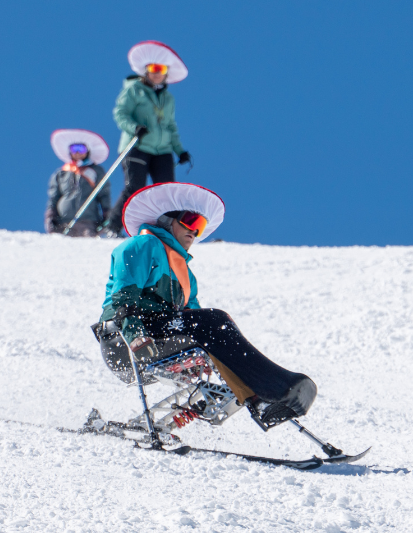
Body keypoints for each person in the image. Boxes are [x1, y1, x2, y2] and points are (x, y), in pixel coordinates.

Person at [97, 182, 316, 426]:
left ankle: (258, 399)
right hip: (125, 339)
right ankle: (274, 389)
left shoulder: (185, 274)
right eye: (190, 221)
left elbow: (194, 318)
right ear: (168, 220)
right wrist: (134, 334)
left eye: (200, 227)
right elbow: (123, 299)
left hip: (161, 335)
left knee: (217, 328)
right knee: (215, 321)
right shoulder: (142, 245)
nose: (194, 232)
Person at [106, 41, 192, 235]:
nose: (156, 72)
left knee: (167, 191)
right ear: (145, 70)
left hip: (162, 150)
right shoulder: (133, 89)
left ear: (166, 73)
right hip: (137, 145)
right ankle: (112, 227)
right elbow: (120, 113)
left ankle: (170, 232)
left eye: (161, 69)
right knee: (135, 187)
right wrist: (134, 127)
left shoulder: (168, 98)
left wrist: (180, 150)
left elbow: (170, 126)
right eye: (153, 68)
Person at [45, 129, 111, 237]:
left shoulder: (95, 171)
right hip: (63, 223)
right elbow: (54, 196)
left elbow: (104, 194)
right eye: (73, 149)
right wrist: (50, 215)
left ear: (87, 151)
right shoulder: (61, 173)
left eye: (81, 149)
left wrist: (107, 213)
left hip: (88, 222)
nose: (77, 152)